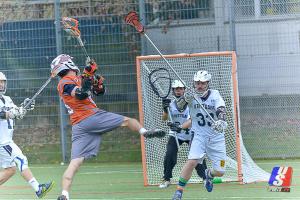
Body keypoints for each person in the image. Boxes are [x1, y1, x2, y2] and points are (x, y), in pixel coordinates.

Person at [51, 54, 166, 200]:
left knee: (75, 162)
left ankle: (64, 194)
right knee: (128, 120)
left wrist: (95, 81)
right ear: (67, 64)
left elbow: (99, 92)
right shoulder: (65, 82)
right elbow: (80, 95)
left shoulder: (77, 79)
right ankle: (145, 132)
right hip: (90, 117)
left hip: (79, 126)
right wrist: (87, 75)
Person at [169, 71, 228, 200]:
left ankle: (209, 174)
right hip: (199, 136)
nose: (199, 85)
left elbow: (221, 109)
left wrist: (221, 121)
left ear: (207, 83)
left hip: (216, 137)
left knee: (220, 171)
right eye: (197, 83)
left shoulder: (215, 94)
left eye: (202, 83)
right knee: (192, 161)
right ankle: (179, 191)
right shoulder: (191, 95)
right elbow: (179, 106)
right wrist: (185, 98)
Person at [0, 72, 54, 198]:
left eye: (3, 82)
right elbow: (3, 114)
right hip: (2, 142)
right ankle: (38, 189)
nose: (1, 84)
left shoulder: (7, 99)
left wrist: (25, 107)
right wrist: (11, 113)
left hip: (7, 140)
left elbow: (17, 113)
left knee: (10, 170)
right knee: (21, 159)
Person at [159, 80, 207, 188]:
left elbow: (192, 121)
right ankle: (166, 179)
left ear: (184, 90)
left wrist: (180, 127)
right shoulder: (170, 104)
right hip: (175, 134)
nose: (179, 91)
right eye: (177, 89)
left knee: (197, 156)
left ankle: (205, 178)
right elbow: (164, 118)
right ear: (173, 91)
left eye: (181, 89)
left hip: (191, 133)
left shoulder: (192, 103)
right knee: (170, 154)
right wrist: (165, 111)